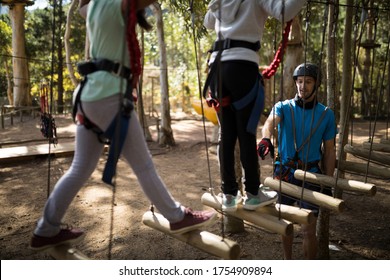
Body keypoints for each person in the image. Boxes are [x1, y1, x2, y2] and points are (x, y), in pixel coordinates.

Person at [30, 0, 217, 251]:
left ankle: (46, 228)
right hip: (108, 96)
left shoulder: (93, 8)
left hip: (90, 96)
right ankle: (176, 217)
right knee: (143, 164)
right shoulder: (111, 5)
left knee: (80, 168)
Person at [203, 0, 307, 212]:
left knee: (227, 133)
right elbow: (283, 11)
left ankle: (228, 195)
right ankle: (252, 193)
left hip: (217, 68)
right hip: (242, 65)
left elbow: (208, 22)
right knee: (246, 132)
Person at [259, 62, 337, 259]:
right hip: (284, 173)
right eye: (300, 81)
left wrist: (328, 181)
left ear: (316, 84)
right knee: (285, 225)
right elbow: (269, 124)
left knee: (309, 230)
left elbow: (329, 151)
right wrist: (266, 137)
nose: (303, 86)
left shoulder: (326, 115)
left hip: (312, 175)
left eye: (308, 81)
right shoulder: (283, 107)